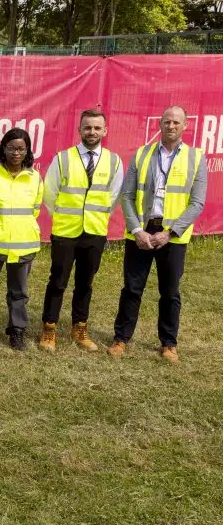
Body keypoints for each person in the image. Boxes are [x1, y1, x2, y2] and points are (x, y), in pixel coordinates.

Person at [109, 105, 206, 363]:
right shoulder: (142, 154)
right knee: (132, 288)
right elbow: (127, 195)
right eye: (167, 121)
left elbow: (197, 203)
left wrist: (170, 233)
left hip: (172, 236)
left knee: (170, 292)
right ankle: (121, 338)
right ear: (160, 124)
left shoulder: (196, 158)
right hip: (141, 232)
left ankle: (169, 343)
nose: (171, 126)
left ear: (185, 125)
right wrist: (137, 230)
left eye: (176, 122)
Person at [39, 108, 124, 352]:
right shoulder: (63, 158)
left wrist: (97, 217)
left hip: (95, 231)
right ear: (79, 130)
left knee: (85, 282)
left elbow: (114, 196)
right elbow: (50, 193)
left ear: (105, 131)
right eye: (87, 127)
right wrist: (62, 217)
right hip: (66, 231)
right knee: (58, 281)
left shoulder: (114, 161)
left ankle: (79, 328)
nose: (92, 131)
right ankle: (49, 328)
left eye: (97, 128)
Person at [0, 128, 45, 351]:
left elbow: (35, 210)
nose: (16, 153)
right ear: (3, 149)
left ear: (28, 151)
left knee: (19, 293)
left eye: (21, 149)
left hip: (24, 245)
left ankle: (17, 332)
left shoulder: (35, 178)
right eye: (11, 148)